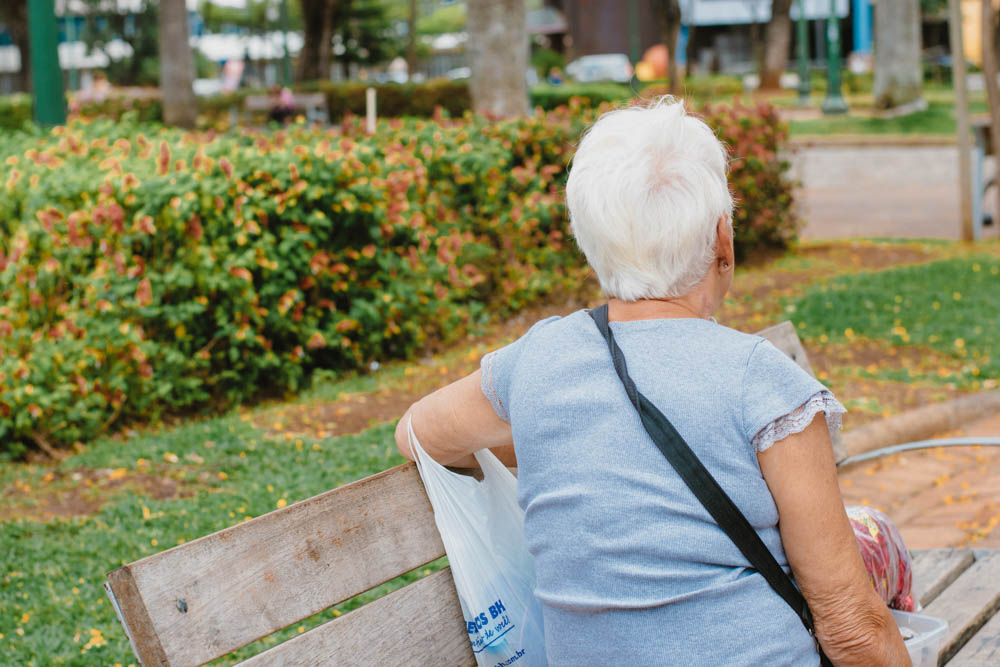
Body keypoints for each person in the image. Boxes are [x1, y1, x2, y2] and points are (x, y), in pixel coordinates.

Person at [395, 98, 910, 666]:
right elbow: (851, 628)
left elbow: (416, 433)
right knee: (879, 539)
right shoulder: (760, 380)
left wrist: (566, 447)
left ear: (591, 244)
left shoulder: (536, 360)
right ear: (723, 240)